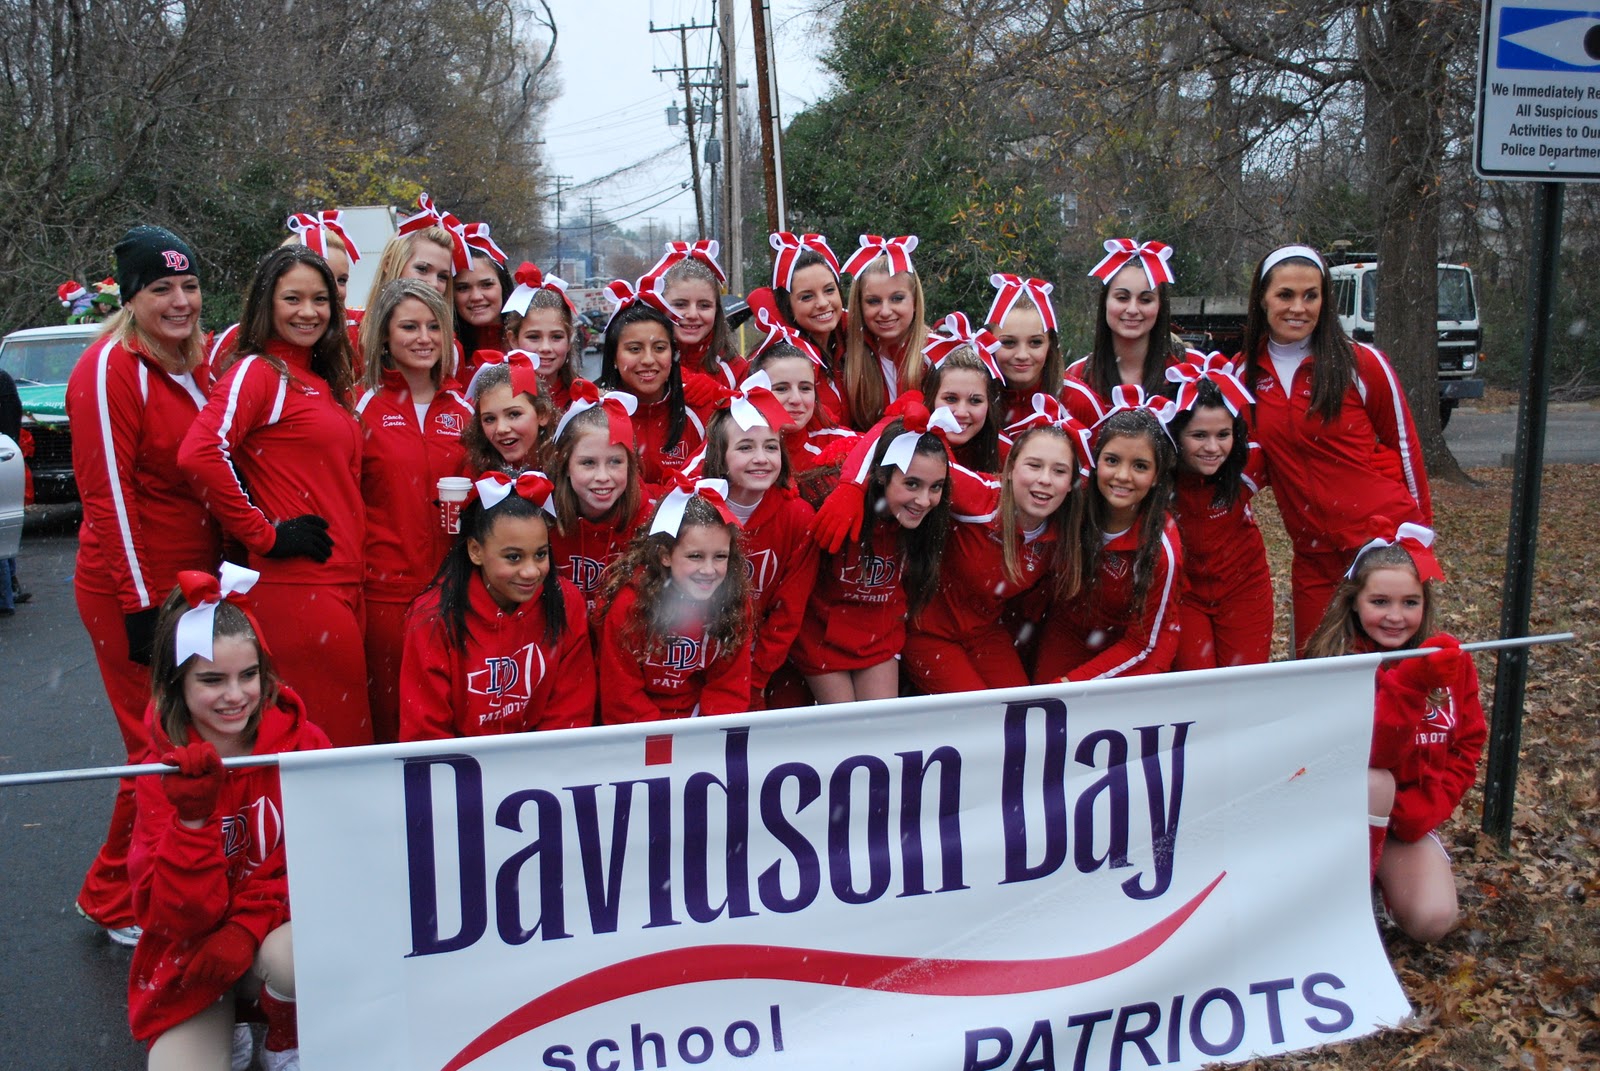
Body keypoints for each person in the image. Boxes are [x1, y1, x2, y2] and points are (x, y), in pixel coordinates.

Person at [68, 224, 219, 945]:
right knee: (154, 743)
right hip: (131, 586)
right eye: (162, 288)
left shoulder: (196, 362)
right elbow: (108, 497)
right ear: (130, 297)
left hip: (190, 586)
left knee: (182, 733)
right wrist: (138, 605)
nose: (180, 300)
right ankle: (116, 895)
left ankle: (136, 881)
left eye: (189, 285)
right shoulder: (109, 368)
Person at [128, 565, 327, 1071]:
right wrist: (192, 823)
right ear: (176, 684)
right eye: (212, 679)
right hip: (194, 955)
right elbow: (173, 918)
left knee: (299, 954)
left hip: (275, 933)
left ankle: (285, 1034)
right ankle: (229, 1017)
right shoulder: (156, 771)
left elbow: (329, 865)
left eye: (248, 675)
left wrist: (245, 928)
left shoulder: (305, 744)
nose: (235, 695)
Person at [179, 246, 371, 747]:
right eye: (293, 298)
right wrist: (265, 536)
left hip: (343, 585)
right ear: (267, 302)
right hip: (299, 591)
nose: (309, 312)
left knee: (345, 747)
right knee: (329, 750)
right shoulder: (259, 371)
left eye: (320, 299)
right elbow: (200, 453)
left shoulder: (319, 380)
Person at [1238, 243, 1431, 654]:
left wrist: (1420, 542)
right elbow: (1246, 459)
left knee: (1389, 674)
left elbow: (1405, 448)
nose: (1299, 308)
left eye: (1311, 295)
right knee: (1318, 668)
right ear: (1262, 298)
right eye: (1285, 294)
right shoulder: (1243, 374)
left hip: (1381, 545)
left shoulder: (1361, 363)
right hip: (1313, 555)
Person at [1304, 524, 1485, 943]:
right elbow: (1376, 755)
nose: (1395, 616)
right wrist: (1411, 684)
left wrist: (1429, 807)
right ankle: (1343, 896)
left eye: (1410, 602)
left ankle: (1384, 882)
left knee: (1432, 920)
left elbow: (1468, 744)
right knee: (1376, 782)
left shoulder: (1448, 661)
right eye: (1380, 601)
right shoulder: (1334, 664)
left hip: (1403, 822)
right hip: (1337, 819)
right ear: (1354, 602)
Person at [354, 279, 472, 742]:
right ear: (384, 336)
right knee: (388, 720)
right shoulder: (359, 406)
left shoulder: (465, 410)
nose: (424, 338)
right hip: (385, 593)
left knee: (449, 716)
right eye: (409, 327)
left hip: (454, 590)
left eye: (433, 326)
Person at [400, 470, 596, 739]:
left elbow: (570, 715)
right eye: (514, 557)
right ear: (475, 551)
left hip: (544, 761)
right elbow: (426, 732)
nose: (531, 571)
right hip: (461, 762)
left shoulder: (566, 601)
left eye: (540, 554)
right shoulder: (432, 617)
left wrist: (538, 761)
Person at [904, 422, 1081, 694]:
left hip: (985, 633)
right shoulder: (979, 498)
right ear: (1010, 470)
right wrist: (851, 488)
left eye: (1059, 471)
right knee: (979, 716)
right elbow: (903, 451)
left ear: (1070, 484)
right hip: (928, 632)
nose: (1045, 479)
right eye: (1034, 466)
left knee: (1022, 710)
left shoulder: (1066, 529)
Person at [799, 397, 955, 703]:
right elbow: (890, 423)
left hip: (879, 633)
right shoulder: (833, 505)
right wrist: (852, 486)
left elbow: (910, 404)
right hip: (821, 636)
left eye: (935, 487)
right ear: (881, 476)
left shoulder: (929, 520)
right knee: (846, 724)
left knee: (878, 724)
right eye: (912, 484)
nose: (924, 500)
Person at [1034, 406, 1184, 683]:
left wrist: (1071, 684)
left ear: (1156, 477)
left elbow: (1142, 644)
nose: (1123, 475)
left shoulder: (1161, 548)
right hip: (1071, 629)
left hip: (1138, 647)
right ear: (1096, 462)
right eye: (1112, 460)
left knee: (1074, 699)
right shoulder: (1072, 505)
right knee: (1043, 698)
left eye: (1140, 466)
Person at [698, 372, 818, 708]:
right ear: (720, 457)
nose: (761, 458)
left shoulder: (798, 516)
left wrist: (757, 675)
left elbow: (789, 610)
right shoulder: (697, 512)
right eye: (745, 447)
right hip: (701, 656)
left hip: (766, 662)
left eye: (770, 447)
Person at [595, 480, 753, 722]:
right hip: (641, 726)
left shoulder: (733, 600)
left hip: (698, 722)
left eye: (720, 556)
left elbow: (729, 688)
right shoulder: (630, 605)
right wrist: (661, 737)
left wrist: (706, 731)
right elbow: (622, 696)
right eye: (695, 556)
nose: (709, 570)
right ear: (665, 555)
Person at [1166, 355, 1273, 669]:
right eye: (1199, 435)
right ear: (1175, 435)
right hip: (1185, 594)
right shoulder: (1157, 477)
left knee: (1245, 685)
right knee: (1197, 685)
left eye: (1223, 435)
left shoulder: (1247, 464)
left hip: (1244, 589)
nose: (1213, 448)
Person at [544, 381, 647, 618]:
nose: (602, 477)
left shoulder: (647, 519)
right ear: (565, 464)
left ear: (630, 464)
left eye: (615, 462)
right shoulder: (543, 515)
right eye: (588, 463)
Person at [595, 281, 705, 491]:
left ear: (673, 354)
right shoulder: (591, 414)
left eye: (659, 348)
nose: (648, 360)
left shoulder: (700, 412)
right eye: (634, 349)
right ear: (614, 358)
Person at [1065, 238, 1185, 425]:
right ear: (1105, 302)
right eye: (1122, 297)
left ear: (1160, 306)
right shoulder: (1076, 376)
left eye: (1145, 300)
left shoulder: (1190, 370)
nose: (1132, 309)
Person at [748, 233, 849, 426]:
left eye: (829, 290)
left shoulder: (854, 341)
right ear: (788, 306)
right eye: (807, 297)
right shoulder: (776, 360)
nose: (822, 303)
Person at [840, 234, 928, 428]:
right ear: (859, 306)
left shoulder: (937, 356)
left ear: (914, 301)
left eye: (897, 298)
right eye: (873, 301)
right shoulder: (844, 353)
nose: (886, 311)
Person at [649, 240, 745, 387]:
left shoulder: (737, 370)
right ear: (660, 306)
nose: (692, 314)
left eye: (704, 306)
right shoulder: (643, 364)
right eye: (680, 304)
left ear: (717, 310)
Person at [920, 313, 1007, 474]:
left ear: (990, 404)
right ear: (931, 397)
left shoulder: (1007, 454)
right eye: (950, 399)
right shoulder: (905, 437)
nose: (961, 412)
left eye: (975, 401)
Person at [985, 273, 1065, 426]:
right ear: (987, 342)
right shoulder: (972, 399)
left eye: (1035, 342)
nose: (1022, 355)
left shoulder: (1078, 400)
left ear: (1050, 345)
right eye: (1008, 342)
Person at [461, 350, 556, 474]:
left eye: (514, 414)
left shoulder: (569, 466)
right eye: (489, 419)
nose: (501, 429)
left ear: (542, 413)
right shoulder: (475, 470)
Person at [501, 262, 579, 409]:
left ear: (569, 339)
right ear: (513, 340)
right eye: (534, 337)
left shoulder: (586, 400)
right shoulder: (496, 395)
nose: (545, 348)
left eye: (556, 337)